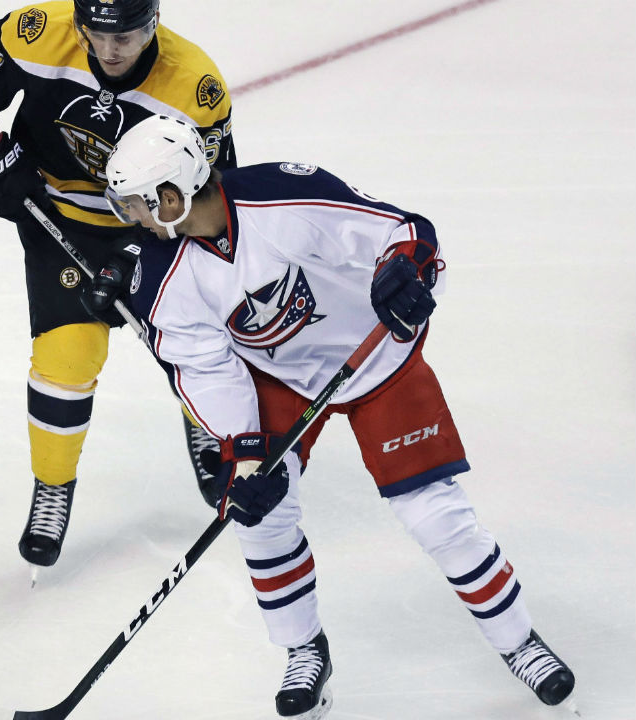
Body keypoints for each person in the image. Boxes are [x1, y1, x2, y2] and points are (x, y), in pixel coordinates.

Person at [85, 115, 575, 717]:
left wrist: (407, 270)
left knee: (434, 515)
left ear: (172, 194)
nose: (129, 218)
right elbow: (208, 370)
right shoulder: (163, 275)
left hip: (374, 359)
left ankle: (518, 642)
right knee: (259, 515)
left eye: (136, 203)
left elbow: (404, 231)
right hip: (279, 377)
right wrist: (245, 454)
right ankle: (303, 650)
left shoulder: (283, 197)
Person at [0, 0, 236, 573]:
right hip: (57, 217)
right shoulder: (40, 33)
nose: (110, 49)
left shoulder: (195, 87)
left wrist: (140, 250)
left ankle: (210, 433)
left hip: (157, 228)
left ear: (154, 21)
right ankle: (53, 487)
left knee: (192, 340)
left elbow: (212, 196)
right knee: (66, 360)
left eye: (128, 34)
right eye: (97, 33)